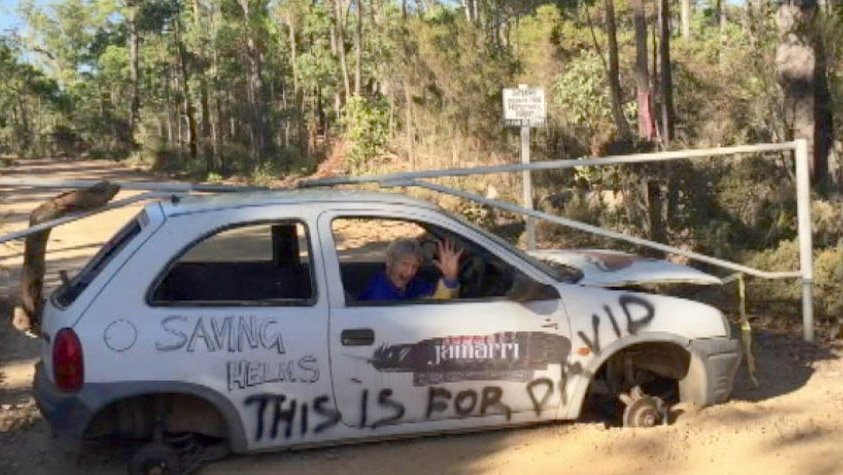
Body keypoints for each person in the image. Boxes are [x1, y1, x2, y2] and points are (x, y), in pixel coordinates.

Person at [358, 238, 463, 301]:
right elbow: (434, 312)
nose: (409, 273)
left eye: (414, 266)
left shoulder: (414, 284)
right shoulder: (378, 293)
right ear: (389, 262)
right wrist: (449, 280)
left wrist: (450, 278)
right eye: (405, 264)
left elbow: (440, 300)